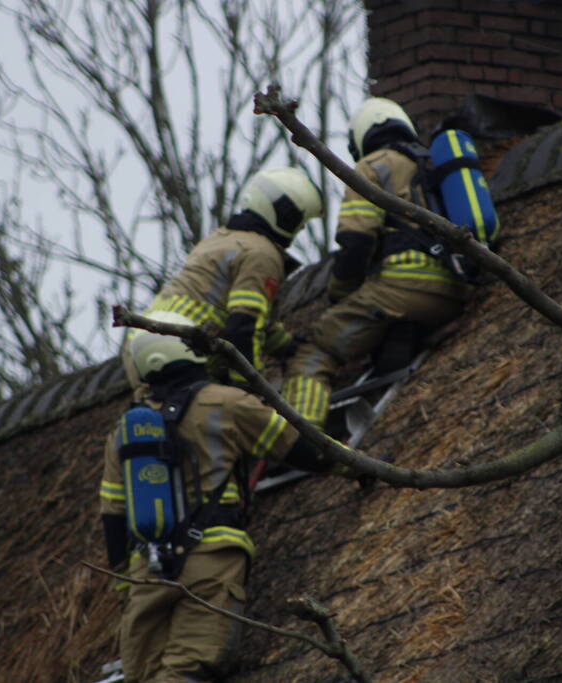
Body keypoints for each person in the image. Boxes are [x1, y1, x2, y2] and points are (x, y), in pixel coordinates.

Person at [100, 311, 344, 682]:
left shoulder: (125, 430)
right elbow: (306, 450)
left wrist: (126, 584)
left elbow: (113, 516)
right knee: (189, 668)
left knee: (142, 675)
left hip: (144, 574)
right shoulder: (227, 402)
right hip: (211, 560)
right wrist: (361, 466)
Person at [281, 97, 472, 430]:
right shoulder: (432, 163)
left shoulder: (373, 164)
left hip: (401, 289)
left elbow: (357, 239)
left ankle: (306, 440)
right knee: (392, 320)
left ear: (361, 137)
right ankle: (397, 344)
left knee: (312, 349)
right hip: (455, 290)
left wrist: (340, 294)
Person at [120, 167, 323, 395]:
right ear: (285, 214)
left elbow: (256, 318)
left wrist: (285, 347)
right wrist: (248, 389)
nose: (299, 229)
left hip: (142, 343)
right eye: (299, 221)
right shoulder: (262, 254)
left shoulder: (222, 238)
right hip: (182, 345)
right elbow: (244, 324)